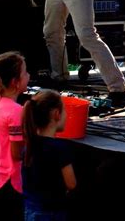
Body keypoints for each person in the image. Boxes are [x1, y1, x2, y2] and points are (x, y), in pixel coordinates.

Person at [0, 51, 29, 220]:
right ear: (16, 83)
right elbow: (17, 153)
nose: (28, 75)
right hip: (8, 184)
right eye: (25, 73)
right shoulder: (16, 112)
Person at [22, 90, 76, 220]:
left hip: (31, 209)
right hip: (52, 212)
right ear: (57, 114)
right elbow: (71, 183)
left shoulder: (28, 145)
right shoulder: (59, 148)